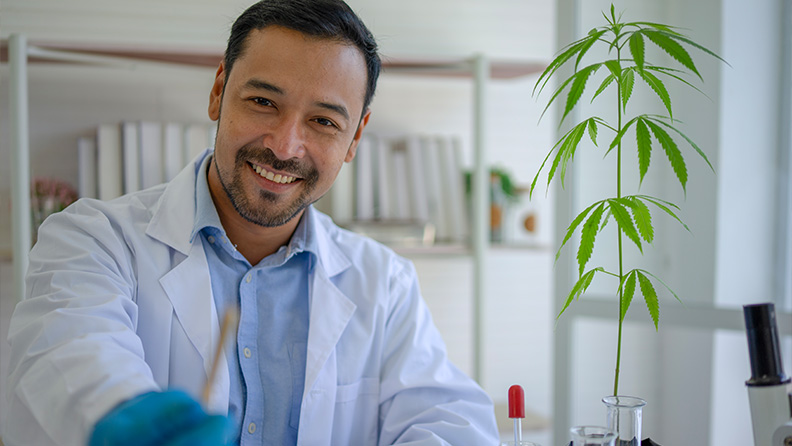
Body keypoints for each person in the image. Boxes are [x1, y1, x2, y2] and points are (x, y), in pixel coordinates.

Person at [2, 0, 500, 445]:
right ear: (219, 91)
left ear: (354, 139)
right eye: (263, 102)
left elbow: (450, 423)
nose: (284, 147)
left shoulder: (385, 284)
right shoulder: (95, 241)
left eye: (324, 121)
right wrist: (122, 415)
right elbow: (70, 356)